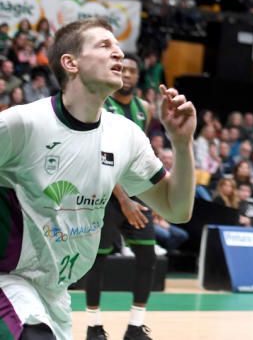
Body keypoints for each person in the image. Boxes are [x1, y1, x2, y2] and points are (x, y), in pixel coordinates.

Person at [0, 19, 196, 340]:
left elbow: (177, 210)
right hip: (9, 279)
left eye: (117, 46)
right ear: (71, 63)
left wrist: (183, 144)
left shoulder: (125, 136)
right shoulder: (23, 124)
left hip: (56, 291)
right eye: (104, 45)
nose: (118, 53)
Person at [84, 53, 160, 340]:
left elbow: (144, 158)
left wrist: (156, 197)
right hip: (104, 194)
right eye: (122, 69)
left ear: (138, 77)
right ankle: (93, 326)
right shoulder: (102, 107)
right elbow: (102, 157)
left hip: (137, 193)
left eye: (132, 71)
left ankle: (135, 327)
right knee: (98, 261)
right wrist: (124, 199)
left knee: (147, 257)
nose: (127, 74)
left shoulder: (145, 109)